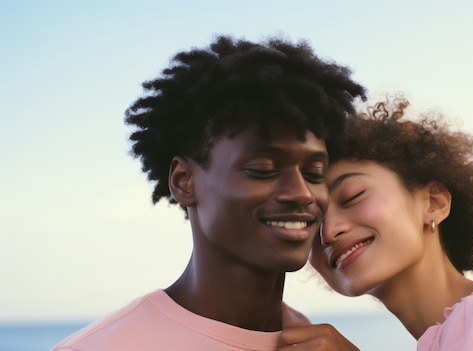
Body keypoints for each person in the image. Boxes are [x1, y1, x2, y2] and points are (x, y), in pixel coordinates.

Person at [51, 34, 366, 351]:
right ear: (184, 181)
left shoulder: (323, 342)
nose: (301, 194)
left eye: (314, 173)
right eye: (263, 169)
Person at [290, 97, 473, 350]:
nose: (328, 232)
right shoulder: (462, 328)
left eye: (352, 197)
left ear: (433, 203)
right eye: (312, 221)